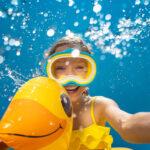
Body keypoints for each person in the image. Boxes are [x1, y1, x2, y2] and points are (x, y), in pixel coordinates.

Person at [44, 35, 150, 149]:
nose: (70, 77)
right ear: (51, 73)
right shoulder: (45, 109)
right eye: (60, 68)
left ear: (89, 72)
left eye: (79, 67)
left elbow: (125, 124)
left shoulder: (100, 106)